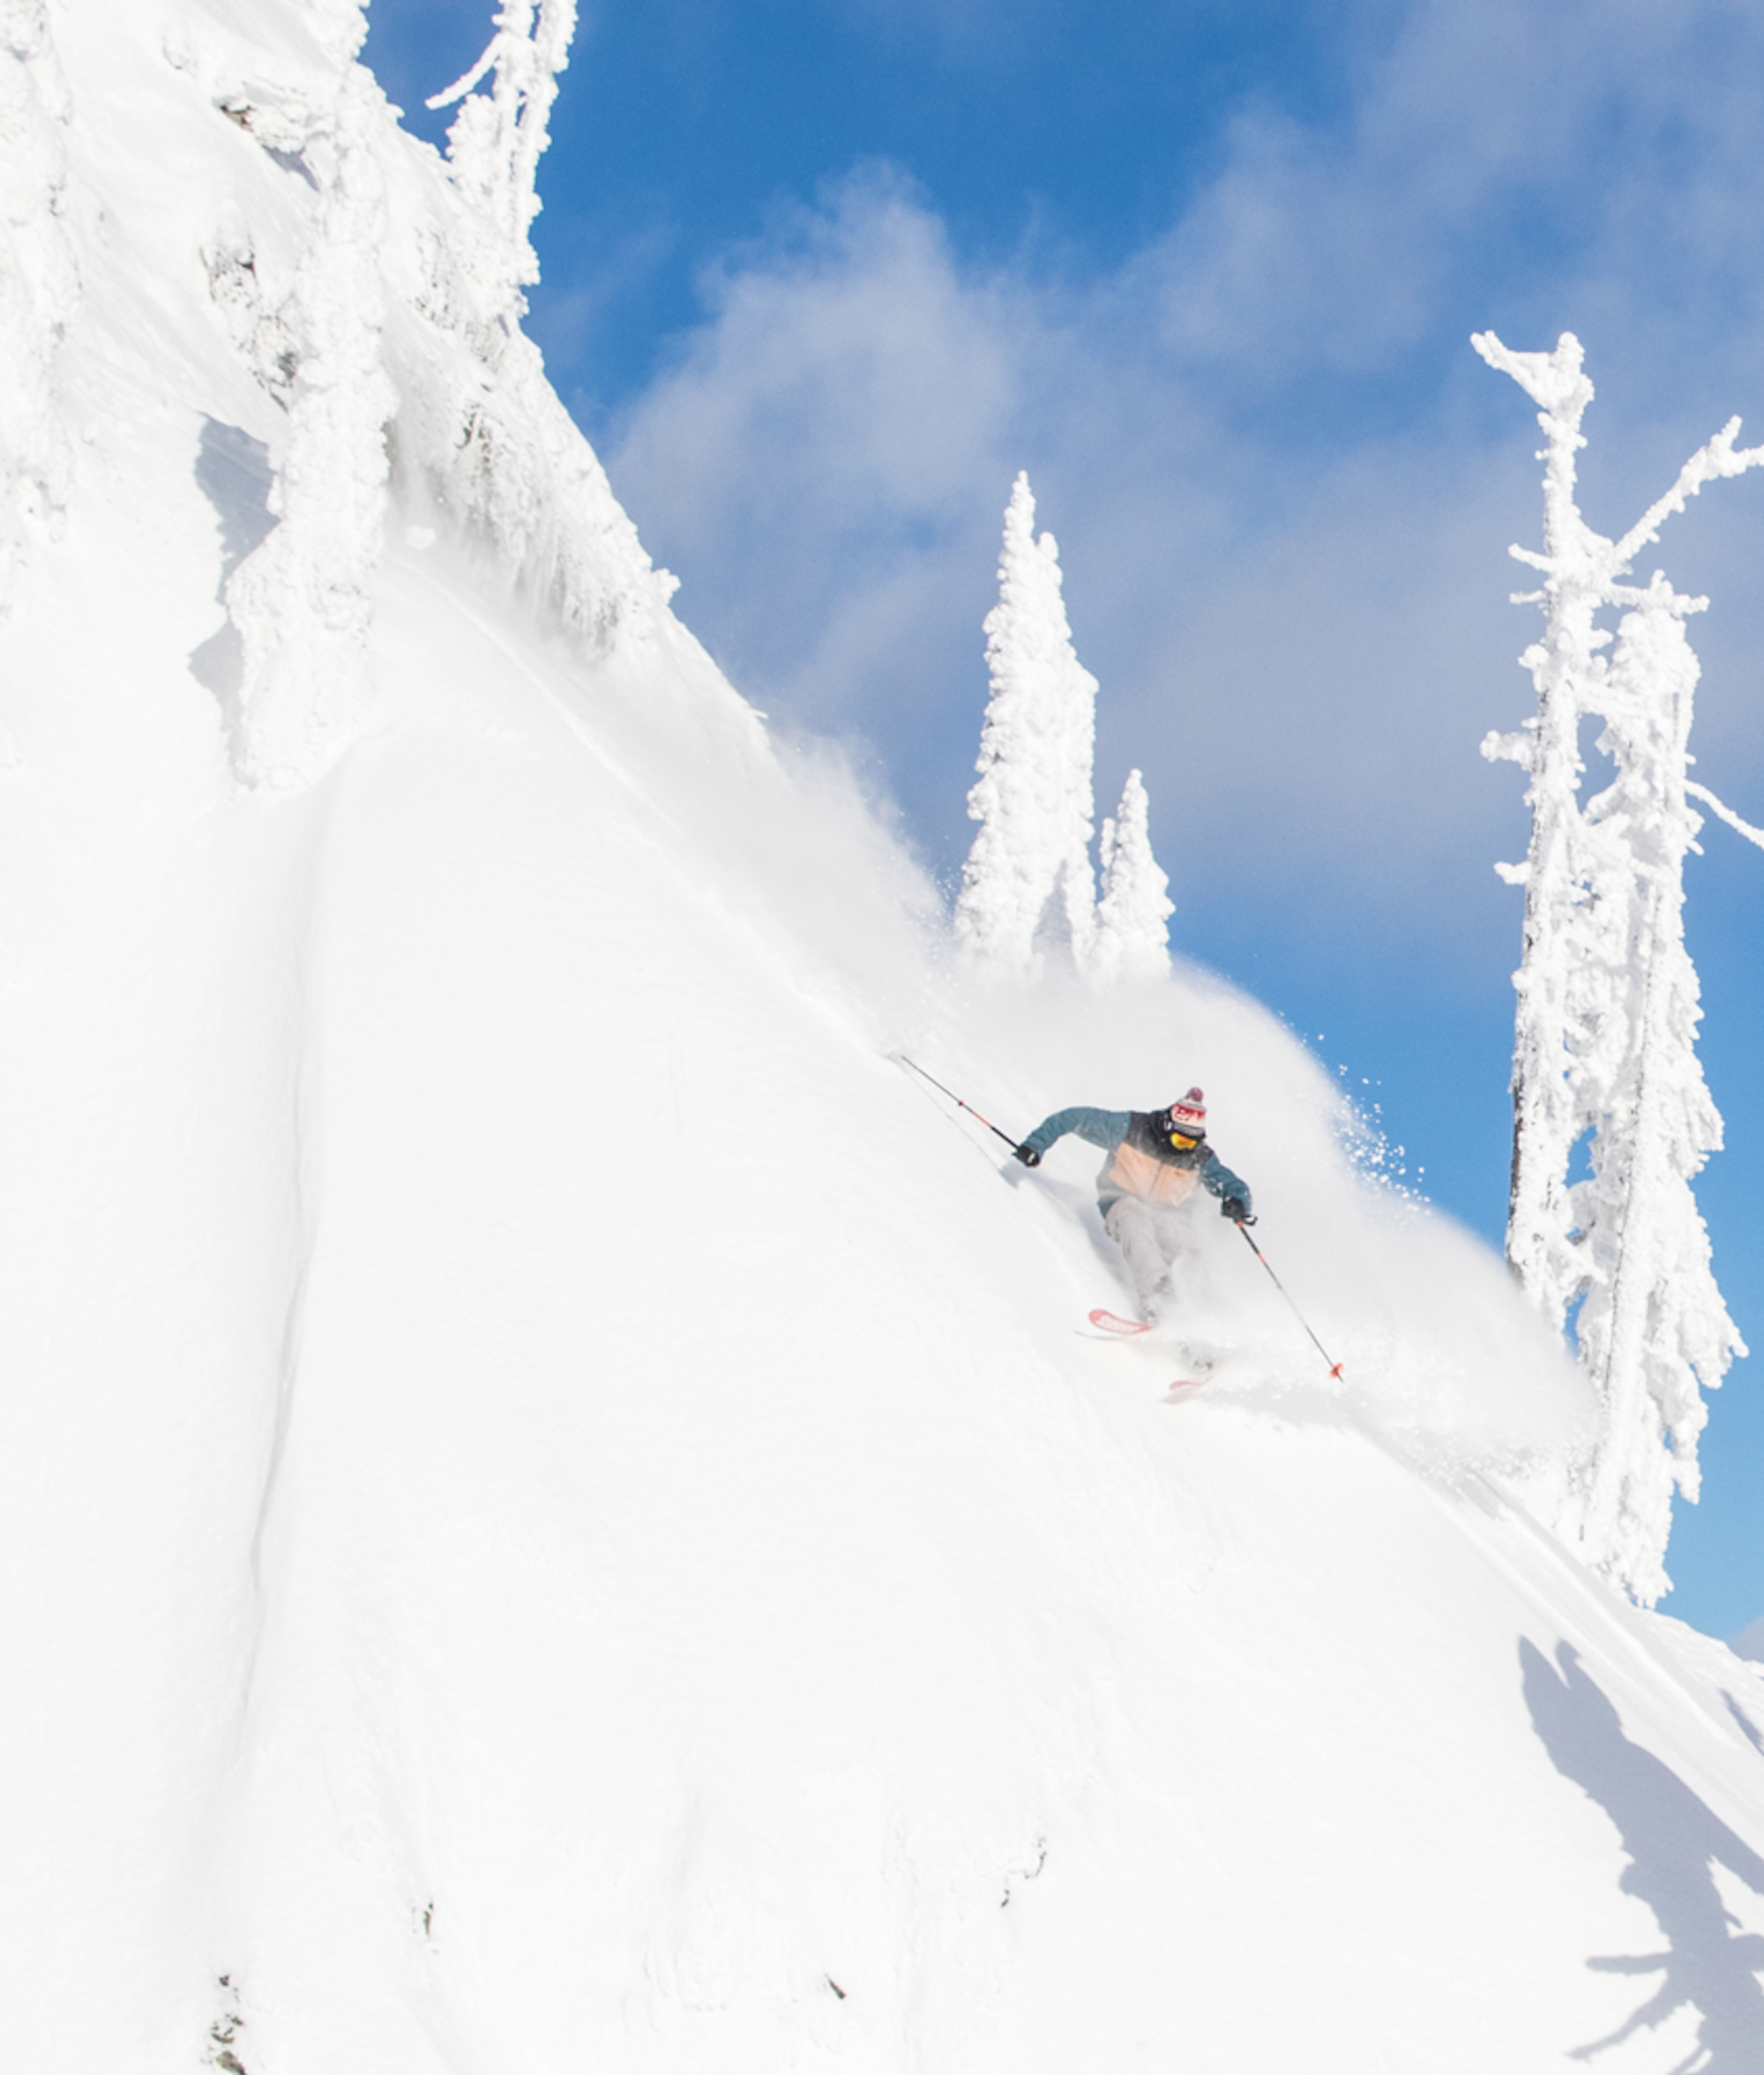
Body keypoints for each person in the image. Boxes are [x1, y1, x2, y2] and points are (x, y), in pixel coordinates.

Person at [1013, 1086, 1253, 1324]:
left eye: (1191, 1144)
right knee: (1137, 1225)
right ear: (1168, 1127)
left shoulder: (1199, 1156)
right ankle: (1156, 1300)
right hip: (1121, 1199)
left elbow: (1233, 1185)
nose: (1184, 1149)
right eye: (1180, 1141)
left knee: (1186, 1247)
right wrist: (1035, 1145)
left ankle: (1207, 1315)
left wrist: (1237, 1202)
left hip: (1169, 1212)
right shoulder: (1129, 1129)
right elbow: (1073, 1118)